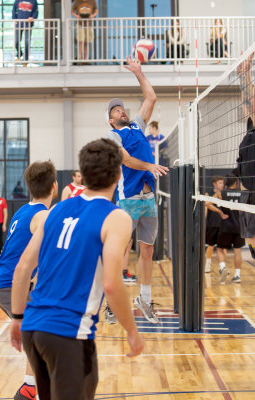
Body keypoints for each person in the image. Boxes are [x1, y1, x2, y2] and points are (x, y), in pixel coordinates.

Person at [10, 139, 144, 400]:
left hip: (33, 329)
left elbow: (23, 267)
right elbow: (111, 284)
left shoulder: (56, 210)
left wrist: (17, 317)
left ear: (81, 175)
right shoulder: (117, 217)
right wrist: (132, 330)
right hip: (68, 334)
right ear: (119, 175)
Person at [107, 57, 169, 324]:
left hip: (148, 198)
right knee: (119, 252)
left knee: (147, 252)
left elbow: (151, 97)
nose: (121, 110)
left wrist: (139, 73)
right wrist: (150, 165)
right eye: (116, 110)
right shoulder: (113, 136)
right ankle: (111, 304)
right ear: (110, 120)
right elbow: (125, 159)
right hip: (128, 200)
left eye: (122, 108)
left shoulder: (137, 126)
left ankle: (144, 299)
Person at [0, 161, 57, 400]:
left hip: (8, 283)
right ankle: (31, 389)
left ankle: (30, 387)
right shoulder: (43, 216)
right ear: (54, 187)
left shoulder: (23, 211)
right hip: (9, 285)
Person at [237, 51, 255, 259]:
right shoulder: (250, 129)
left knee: (251, 238)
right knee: (249, 238)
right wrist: (243, 75)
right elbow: (247, 102)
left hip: (251, 192)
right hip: (247, 192)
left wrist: (246, 74)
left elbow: (250, 100)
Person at [215, 175, 245, 284]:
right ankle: (237, 275)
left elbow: (208, 203)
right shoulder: (243, 194)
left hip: (226, 226)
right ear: (236, 182)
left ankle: (223, 268)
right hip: (239, 227)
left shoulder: (221, 193)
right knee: (237, 251)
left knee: (219, 249)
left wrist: (221, 213)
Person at [205, 176, 228, 273]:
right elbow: (207, 203)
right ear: (214, 184)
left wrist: (221, 196)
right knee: (211, 246)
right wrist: (216, 195)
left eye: (222, 183)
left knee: (223, 247)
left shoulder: (225, 194)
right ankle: (208, 264)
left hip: (223, 224)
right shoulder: (208, 193)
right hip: (212, 224)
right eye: (220, 183)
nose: (222, 185)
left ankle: (222, 267)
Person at [12, 0, 39, 66]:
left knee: (27, 42)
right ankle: (19, 54)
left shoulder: (34, 1)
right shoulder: (17, 1)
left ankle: (25, 59)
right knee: (16, 41)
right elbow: (14, 9)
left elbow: (36, 11)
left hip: (28, 25)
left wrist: (33, 17)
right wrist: (14, 18)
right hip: (18, 24)